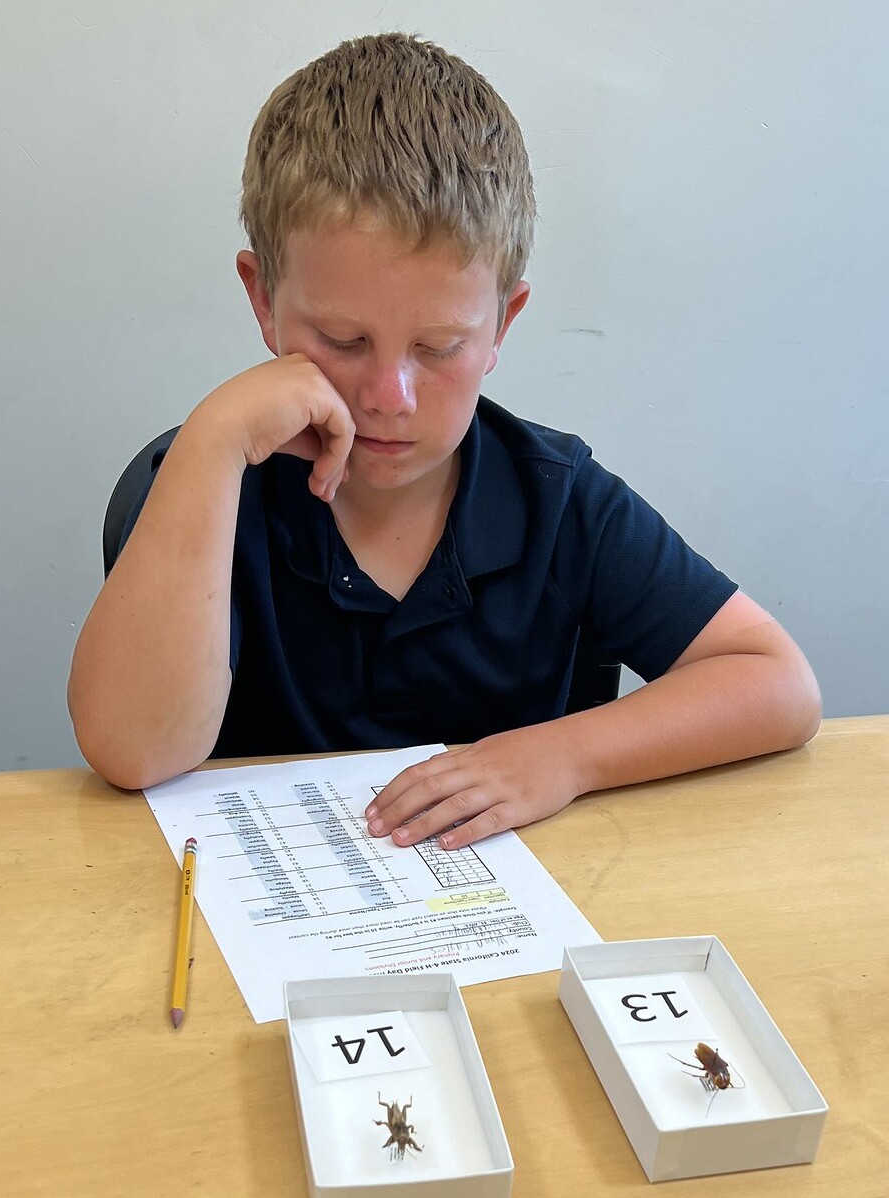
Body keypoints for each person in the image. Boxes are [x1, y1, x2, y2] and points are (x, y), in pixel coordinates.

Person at [67, 33, 821, 851]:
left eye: (439, 348)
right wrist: (211, 441)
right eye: (343, 340)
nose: (389, 398)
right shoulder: (199, 483)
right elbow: (134, 750)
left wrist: (563, 755)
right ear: (263, 299)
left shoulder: (557, 497)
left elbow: (779, 684)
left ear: (503, 323)